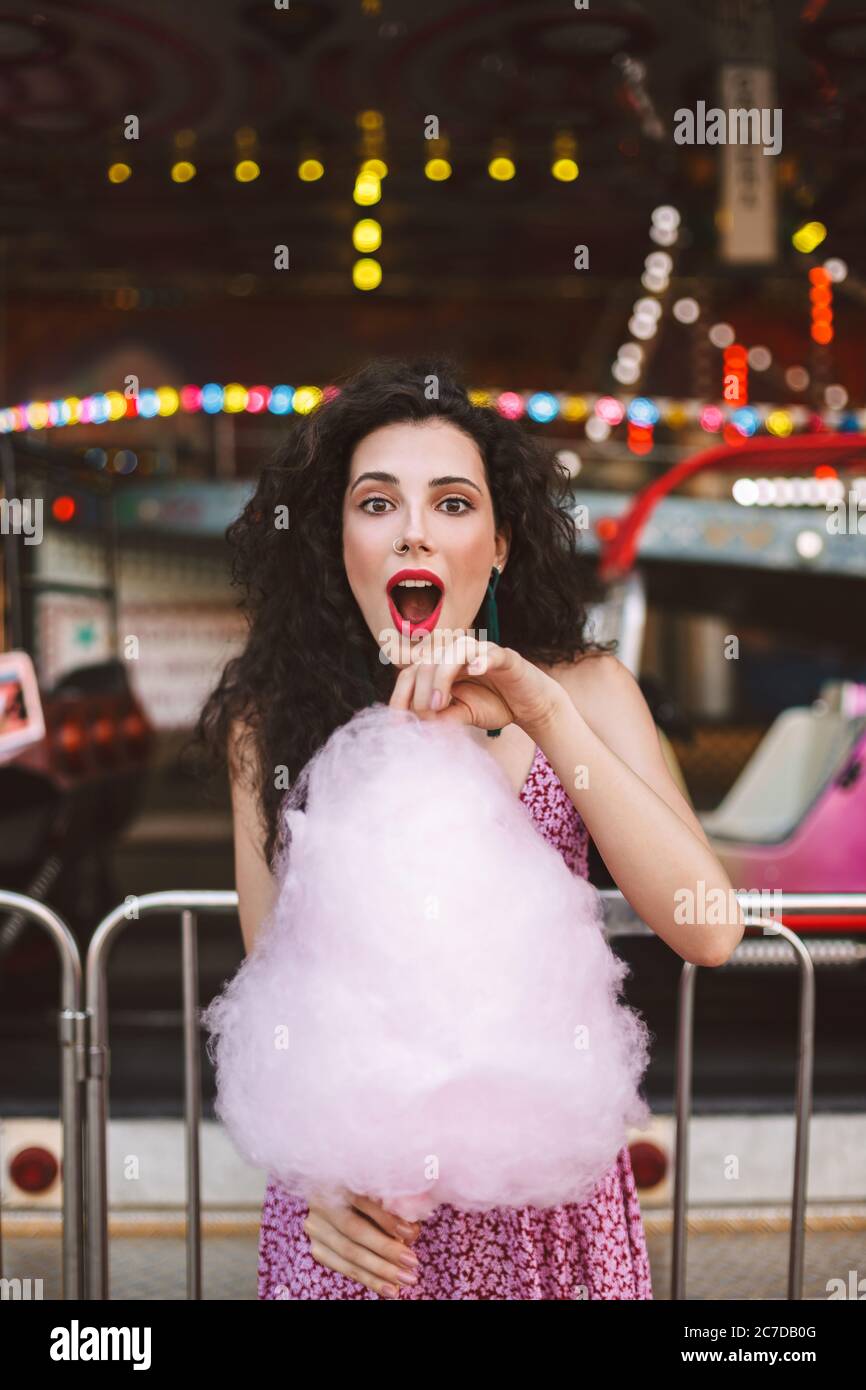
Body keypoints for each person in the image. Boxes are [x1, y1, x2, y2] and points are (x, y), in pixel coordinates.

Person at [191, 355, 744, 1300]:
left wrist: (538, 709)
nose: (414, 529)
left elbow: (709, 928)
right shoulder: (272, 721)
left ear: (497, 546)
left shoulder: (585, 692)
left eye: (452, 503)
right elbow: (277, 999)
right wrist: (320, 1180)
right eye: (376, 504)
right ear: (337, 545)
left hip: (542, 1218)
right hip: (364, 1229)